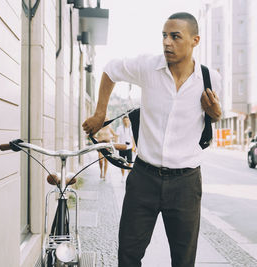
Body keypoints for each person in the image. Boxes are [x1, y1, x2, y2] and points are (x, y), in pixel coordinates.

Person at [82, 12, 222, 267]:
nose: (167, 42)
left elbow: (210, 119)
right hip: (144, 178)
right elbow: (111, 69)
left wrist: (215, 115)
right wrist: (100, 113)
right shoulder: (149, 66)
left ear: (195, 40)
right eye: (164, 36)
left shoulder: (210, 79)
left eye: (175, 36)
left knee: (183, 260)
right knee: (128, 255)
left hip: (186, 183)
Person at [116, 115, 135, 180]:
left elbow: (133, 138)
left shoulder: (131, 128)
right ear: (122, 121)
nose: (126, 122)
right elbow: (117, 137)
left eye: (127, 120)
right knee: (122, 163)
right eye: (124, 120)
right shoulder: (119, 128)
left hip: (129, 147)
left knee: (129, 162)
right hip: (122, 147)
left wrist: (134, 147)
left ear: (129, 121)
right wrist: (117, 147)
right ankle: (123, 176)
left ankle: (128, 176)